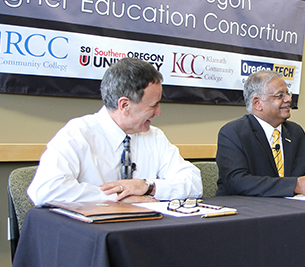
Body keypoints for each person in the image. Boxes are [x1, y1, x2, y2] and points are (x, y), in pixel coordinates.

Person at [28, 58, 203, 206]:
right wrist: (120, 197)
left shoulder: (155, 136)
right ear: (124, 105)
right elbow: (46, 189)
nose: (158, 111)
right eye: (153, 105)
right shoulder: (78, 133)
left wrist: (148, 187)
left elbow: (194, 183)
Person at [215, 70, 305, 197]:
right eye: (279, 95)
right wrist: (295, 185)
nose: (289, 99)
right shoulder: (233, 133)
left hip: (289, 207)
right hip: (245, 210)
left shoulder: (295, 132)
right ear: (258, 103)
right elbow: (236, 181)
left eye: (287, 94)